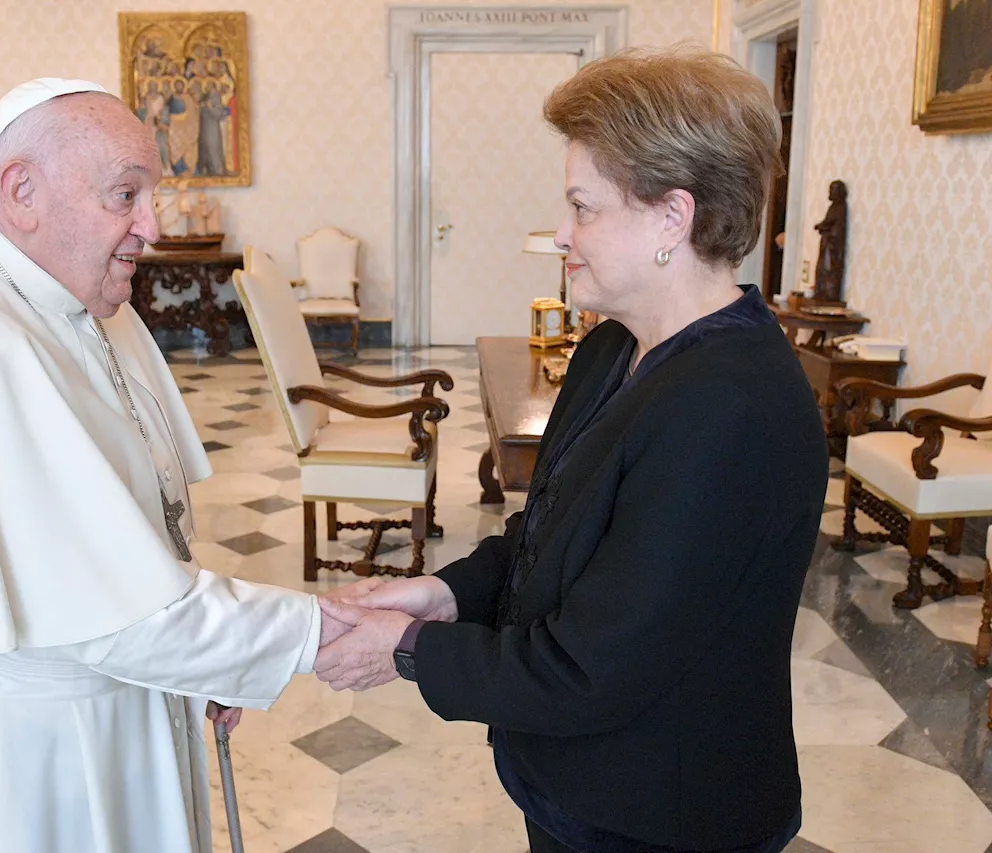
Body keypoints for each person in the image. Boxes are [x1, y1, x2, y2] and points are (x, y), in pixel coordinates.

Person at [0, 78, 347, 853]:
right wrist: (313, 635)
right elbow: (118, 619)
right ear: (23, 191)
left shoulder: (80, 298)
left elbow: (124, 540)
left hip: (104, 700)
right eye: (125, 195)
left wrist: (207, 663)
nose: (151, 227)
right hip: (20, 753)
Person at [317, 47, 829, 853]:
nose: (561, 233)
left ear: (673, 217)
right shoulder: (611, 350)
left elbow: (594, 667)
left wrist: (412, 650)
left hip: (661, 815)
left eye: (583, 207)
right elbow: (555, 537)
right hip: (581, 790)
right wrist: (444, 595)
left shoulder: (729, 409)